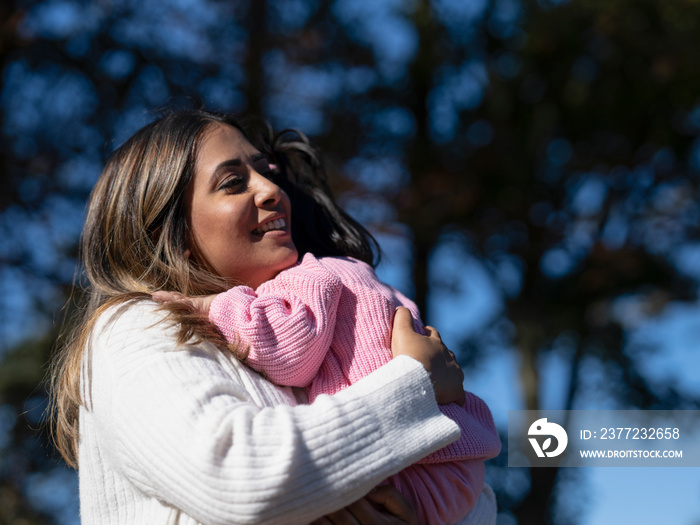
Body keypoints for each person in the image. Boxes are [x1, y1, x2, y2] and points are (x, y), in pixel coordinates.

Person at [49, 109, 499, 524]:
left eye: (264, 172)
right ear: (170, 231)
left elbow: (479, 501)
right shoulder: (136, 325)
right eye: (232, 183)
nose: (271, 190)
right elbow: (237, 475)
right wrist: (416, 381)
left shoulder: (311, 319)